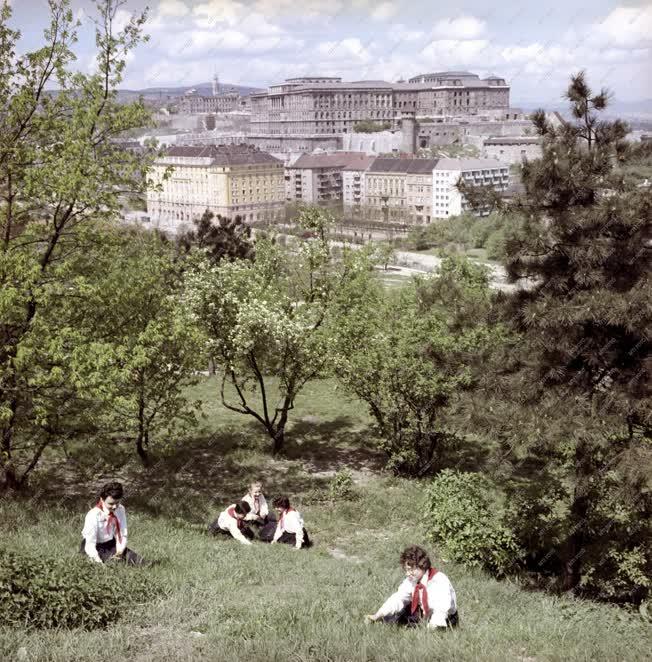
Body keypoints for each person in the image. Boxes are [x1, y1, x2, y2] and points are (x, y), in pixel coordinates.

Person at [364, 545, 458, 629]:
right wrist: (378, 615)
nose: (407, 574)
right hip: (423, 612)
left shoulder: (439, 580)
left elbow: (442, 609)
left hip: (445, 617)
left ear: (422, 565)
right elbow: (398, 597)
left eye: (411, 570)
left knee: (436, 626)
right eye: (406, 570)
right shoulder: (412, 580)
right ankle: (378, 620)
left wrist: (432, 628)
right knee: (394, 617)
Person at [80, 481, 146, 565]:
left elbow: (122, 533)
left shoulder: (120, 509)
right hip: (95, 546)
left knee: (140, 562)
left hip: (110, 544)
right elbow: (90, 544)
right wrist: (98, 562)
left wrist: (119, 552)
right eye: (111, 504)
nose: (114, 507)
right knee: (115, 564)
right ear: (102, 499)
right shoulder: (93, 515)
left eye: (117, 503)